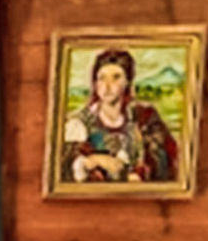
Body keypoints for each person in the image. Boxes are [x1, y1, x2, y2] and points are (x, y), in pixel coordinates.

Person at [61, 47, 180, 185]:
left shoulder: (144, 118)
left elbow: (163, 163)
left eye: (116, 77)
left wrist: (141, 174)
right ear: (95, 83)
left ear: (127, 82)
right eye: (102, 78)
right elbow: (64, 168)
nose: (107, 86)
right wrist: (91, 161)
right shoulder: (80, 123)